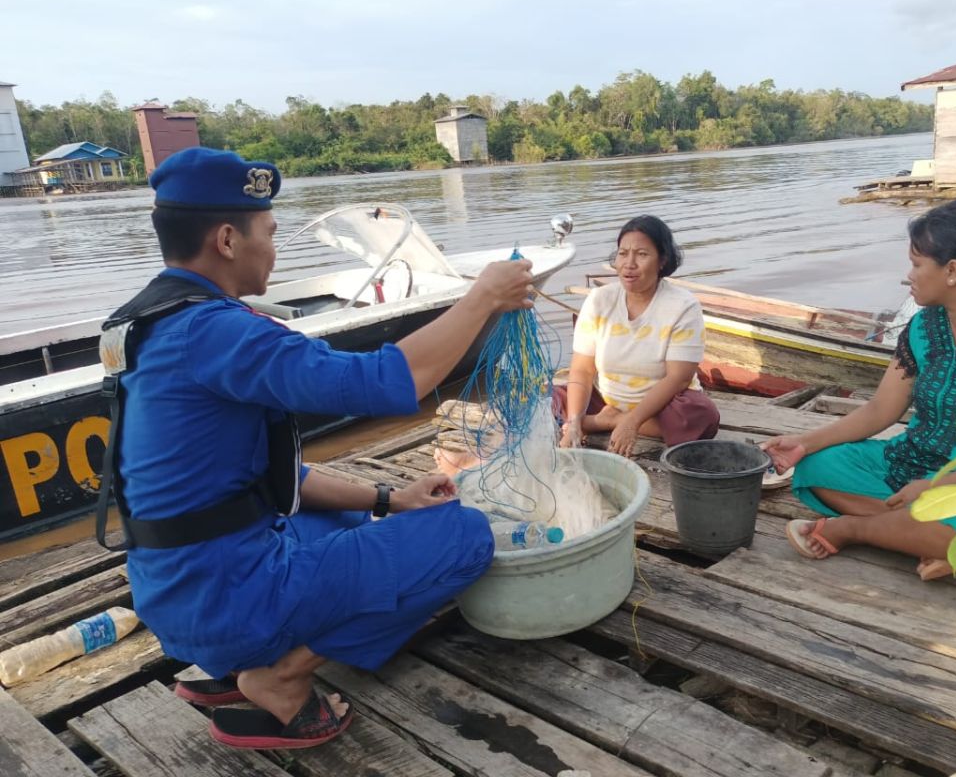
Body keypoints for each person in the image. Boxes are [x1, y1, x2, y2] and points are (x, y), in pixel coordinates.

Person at [98, 147, 533, 748]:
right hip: (232, 597)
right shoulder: (220, 332)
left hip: (175, 593)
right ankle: (279, 674)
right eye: (268, 233)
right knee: (463, 537)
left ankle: (233, 666)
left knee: (355, 515)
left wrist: (391, 497)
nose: (274, 250)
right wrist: (481, 297)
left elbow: (279, 476)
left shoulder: (147, 321)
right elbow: (390, 380)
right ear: (227, 239)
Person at [762, 198, 956, 581]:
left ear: (952, 271)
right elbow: (879, 411)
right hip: (916, 463)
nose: (908, 276)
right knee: (818, 467)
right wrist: (806, 441)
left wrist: (939, 487)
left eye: (917, 264)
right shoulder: (923, 327)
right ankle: (927, 540)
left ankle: (857, 530)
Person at [556, 215, 719, 457]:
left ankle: (607, 421)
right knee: (554, 399)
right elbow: (582, 369)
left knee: (702, 414)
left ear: (662, 260)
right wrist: (575, 420)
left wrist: (630, 422)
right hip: (606, 398)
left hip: (661, 405)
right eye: (623, 254)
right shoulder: (599, 300)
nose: (629, 264)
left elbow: (678, 379)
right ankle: (596, 419)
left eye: (642, 255)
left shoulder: (682, 306)